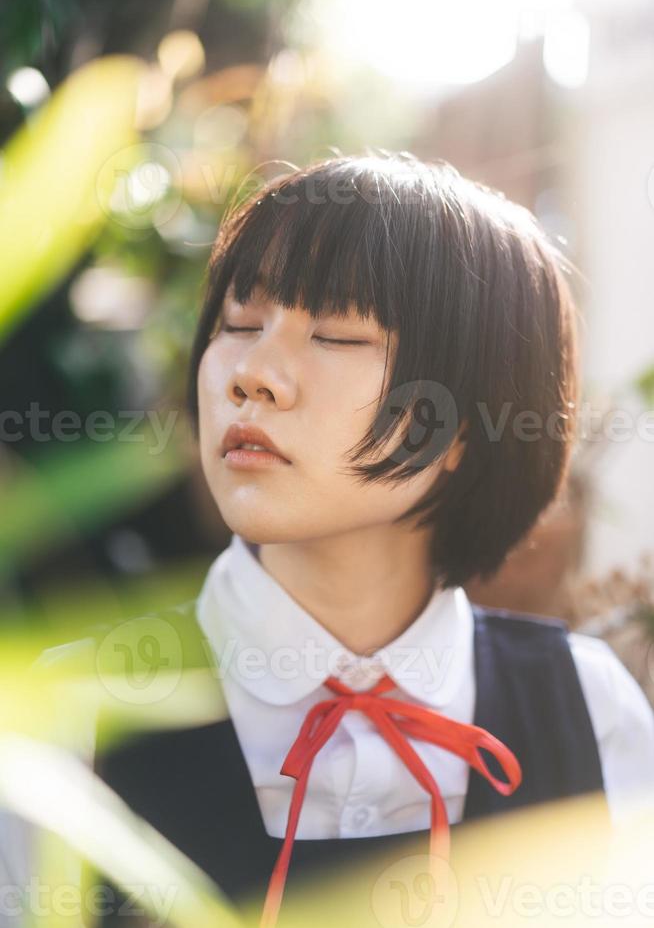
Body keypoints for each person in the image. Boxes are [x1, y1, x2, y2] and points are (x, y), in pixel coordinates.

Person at [19, 153, 654, 927]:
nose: (253, 373)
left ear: (462, 422)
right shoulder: (71, 719)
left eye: (337, 335)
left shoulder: (589, 708)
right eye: (239, 323)